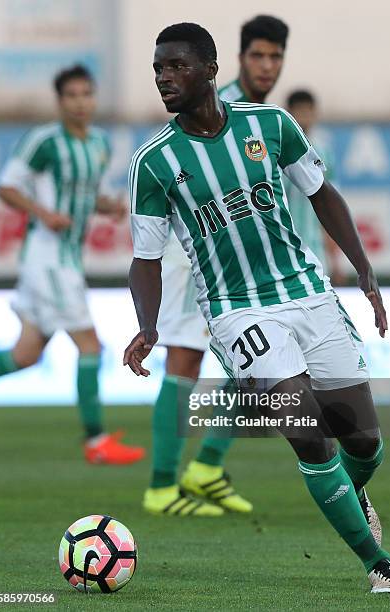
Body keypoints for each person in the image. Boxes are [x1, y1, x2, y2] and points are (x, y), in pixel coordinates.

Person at [124, 22, 390, 593]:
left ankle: (352, 492)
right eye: (158, 69)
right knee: (307, 430)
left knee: (364, 442)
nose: (164, 78)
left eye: (176, 66)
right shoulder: (154, 163)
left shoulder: (273, 126)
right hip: (236, 311)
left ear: (208, 70)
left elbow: (322, 194)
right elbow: (145, 258)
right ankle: (379, 564)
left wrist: (364, 268)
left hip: (306, 293)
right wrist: (148, 325)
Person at [147, 15, 289, 517]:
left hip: (242, 262)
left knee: (257, 364)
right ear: (236, 58)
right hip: (193, 258)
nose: (267, 66)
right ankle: (162, 486)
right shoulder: (208, 102)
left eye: (275, 57)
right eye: (258, 55)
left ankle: (206, 466)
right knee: (184, 358)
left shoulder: (260, 117)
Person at [0, 64, 145, 465]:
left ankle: (97, 441)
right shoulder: (44, 141)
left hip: (66, 258)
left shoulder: (98, 144)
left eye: (86, 94)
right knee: (91, 346)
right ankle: (96, 442)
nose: (81, 102)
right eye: (72, 95)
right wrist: (43, 213)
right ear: (60, 101)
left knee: (26, 355)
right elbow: (6, 186)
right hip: (49, 259)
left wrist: (107, 206)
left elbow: (84, 193)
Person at [285, 89, 346, 284]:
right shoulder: (277, 150)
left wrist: (335, 260)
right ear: (289, 113)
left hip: (316, 250)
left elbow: (329, 207)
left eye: (307, 111)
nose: (303, 117)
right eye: (298, 111)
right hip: (285, 248)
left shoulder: (323, 152)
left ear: (315, 113)